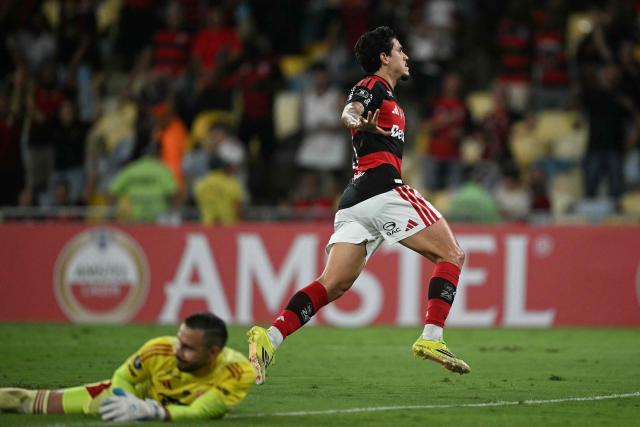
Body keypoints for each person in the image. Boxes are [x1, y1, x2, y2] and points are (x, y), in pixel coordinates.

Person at [247, 26, 470, 385]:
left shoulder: (392, 100)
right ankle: (432, 338)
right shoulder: (371, 86)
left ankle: (270, 337)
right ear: (384, 58)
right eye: (399, 50)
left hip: (355, 201)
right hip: (383, 191)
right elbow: (350, 112)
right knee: (452, 255)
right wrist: (355, 120)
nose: (405, 56)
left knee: (331, 284)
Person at [0, 312, 256, 422]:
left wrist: (153, 413)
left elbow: (201, 412)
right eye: (180, 342)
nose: (178, 350)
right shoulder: (160, 349)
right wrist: (127, 400)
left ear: (213, 353)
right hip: (128, 399)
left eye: (189, 348)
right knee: (30, 402)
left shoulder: (237, 372)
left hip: (148, 408)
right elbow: (123, 376)